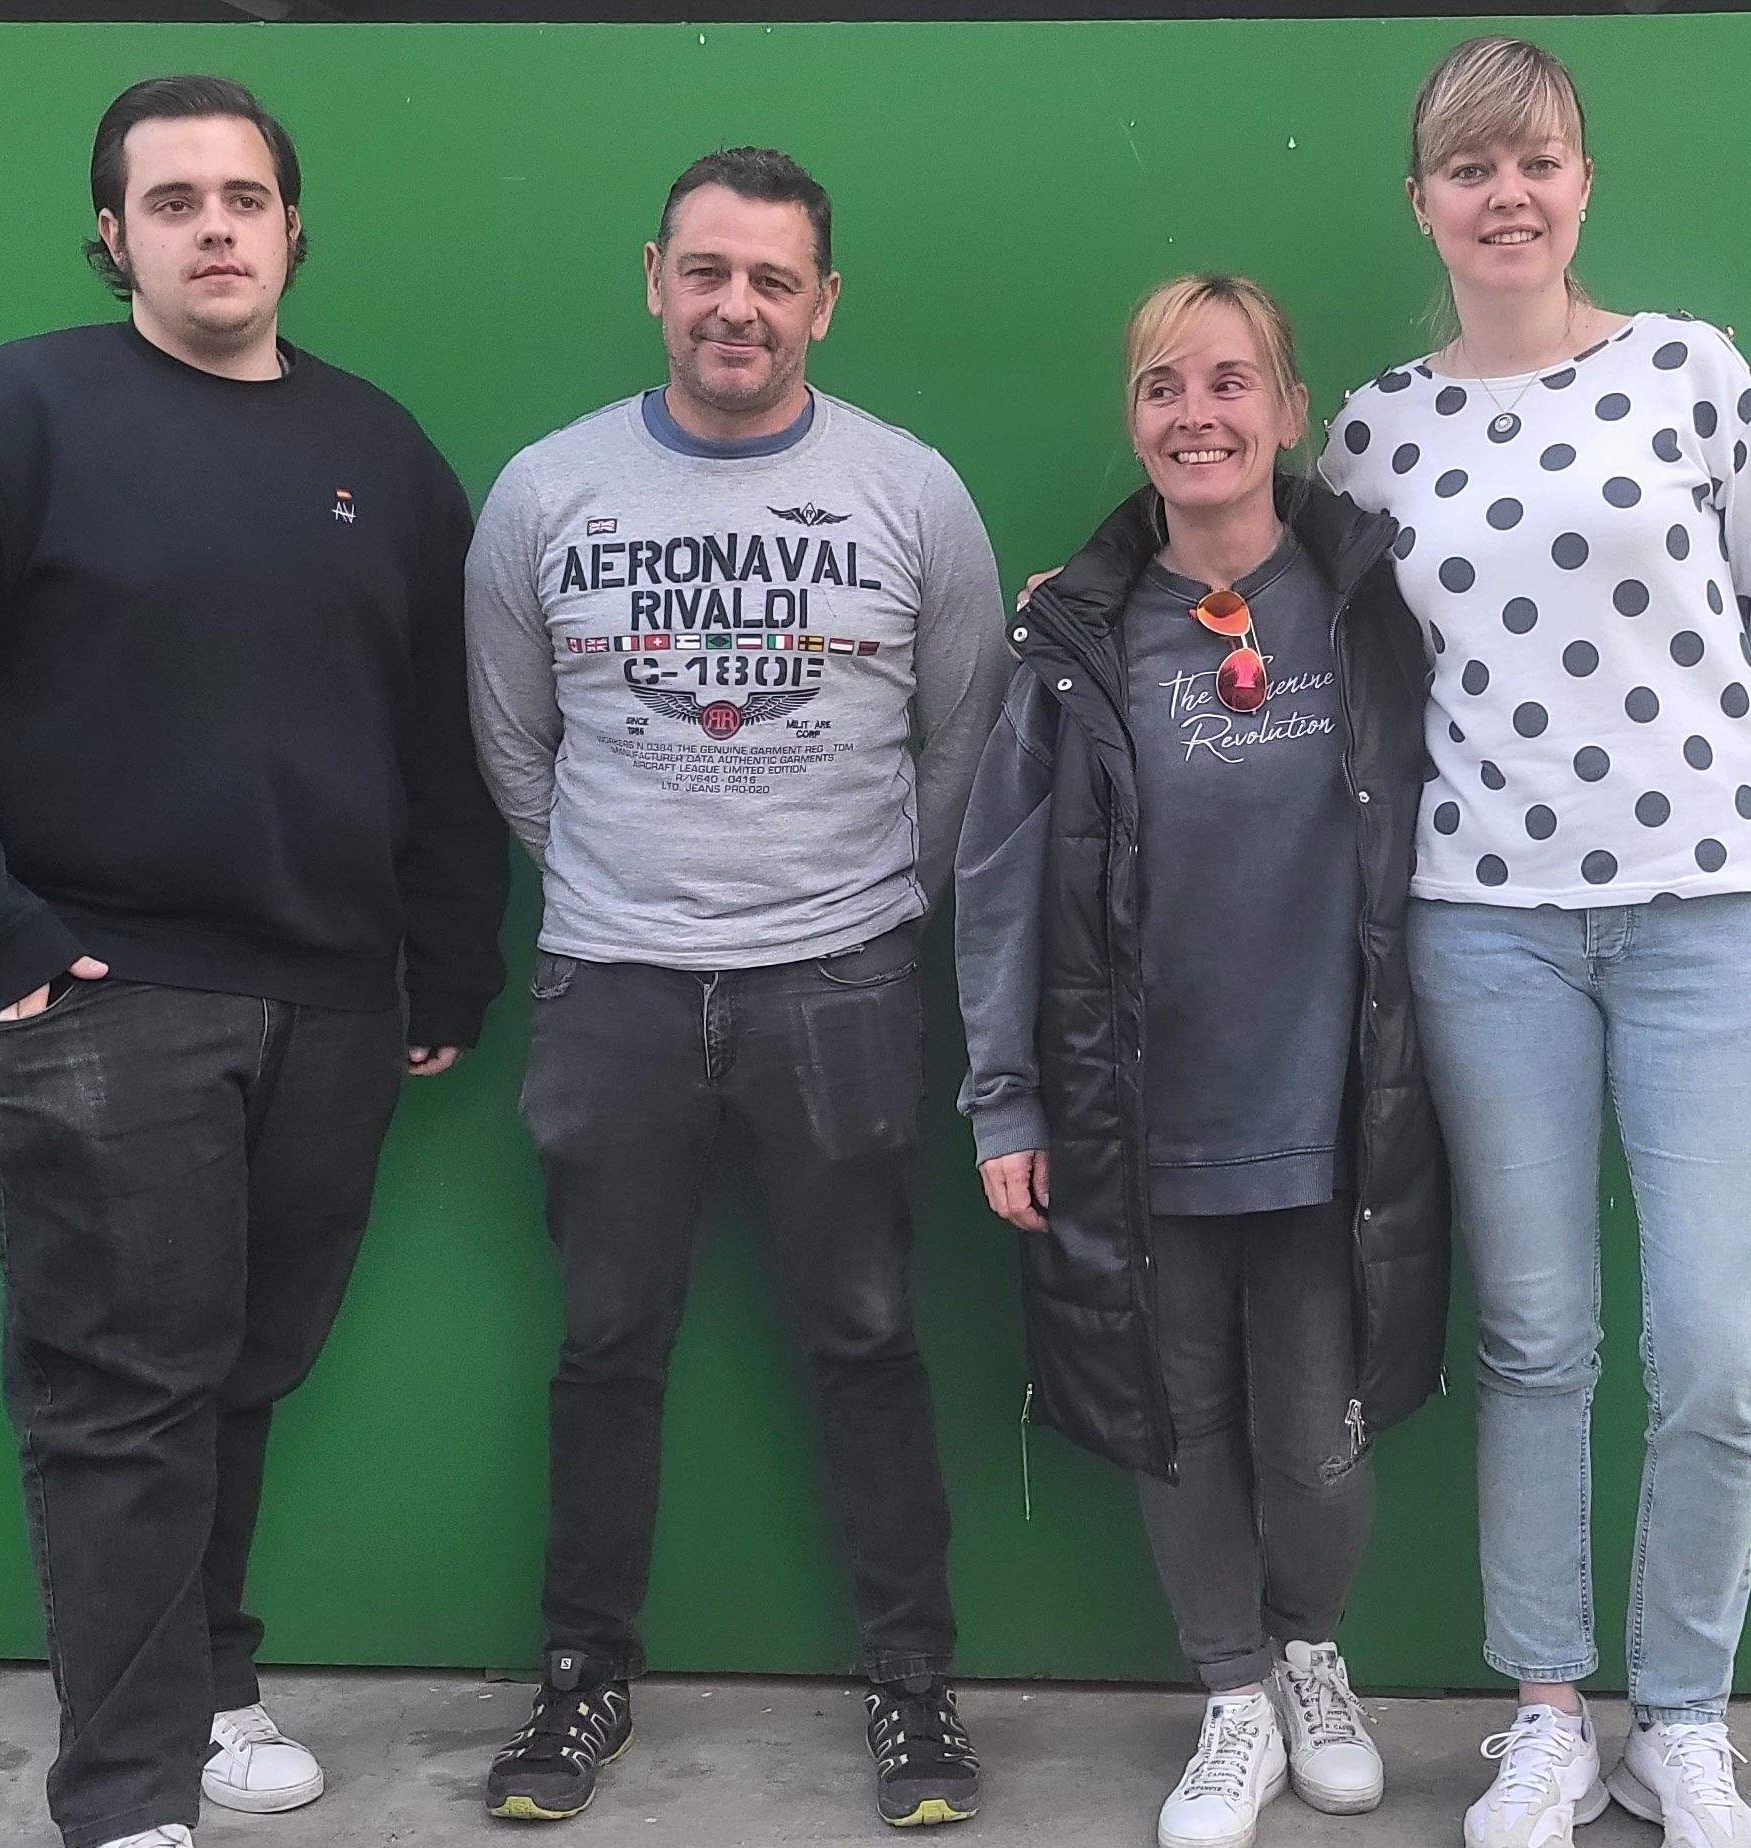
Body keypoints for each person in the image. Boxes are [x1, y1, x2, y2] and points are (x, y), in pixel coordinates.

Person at [0, 74, 508, 1848]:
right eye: (174, 199)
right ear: (112, 234)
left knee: (238, 1373)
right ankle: (125, 1796)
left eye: (246, 198)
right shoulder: (8, 418)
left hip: (334, 1000)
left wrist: (444, 959)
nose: (216, 227)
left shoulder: (378, 449)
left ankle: (207, 1691)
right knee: (124, 1400)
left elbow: (441, 731)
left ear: (293, 230)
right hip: (98, 998)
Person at [1313, 36, 1751, 1848]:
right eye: (1472, 169)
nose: (1508, 196)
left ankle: (1684, 1718)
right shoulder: (1379, 429)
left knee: (1719, 1341)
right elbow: (1283, 627)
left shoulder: (1692, 375)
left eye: (1538, 163)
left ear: (1582, 185)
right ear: (1422, 202)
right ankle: (1547, 1711)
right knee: (1538, 1337)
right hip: (1484, 928)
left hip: (1715, 910)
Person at [460, 145, 1006, 1830]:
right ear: (654, 279)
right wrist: (633, 893)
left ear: (822, 302)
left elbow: (961, 747)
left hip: (839, 987)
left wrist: (850, 917)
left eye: (774, 279)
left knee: (866, 1337)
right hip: (611, 984)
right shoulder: (546, 494)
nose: (737, 306)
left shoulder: (913, 494)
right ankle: (579, 1688)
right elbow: (512, 745)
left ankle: (916, 1697)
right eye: (708, 271)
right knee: (608, 1346)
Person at [955, 273, 1450, 1848]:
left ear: (1290, 412)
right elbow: (998, 881)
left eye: (1231, 384)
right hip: (1138, 1124)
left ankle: (1311, 1654)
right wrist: (1007, 1096)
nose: (1198, 416)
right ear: (1136, 419)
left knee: (1316, 1436)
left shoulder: (1374, 600)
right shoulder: (1074, 633)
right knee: (1178, 1430)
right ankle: (1230, 1694)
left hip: (1334, 1120)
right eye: (1165, 387)